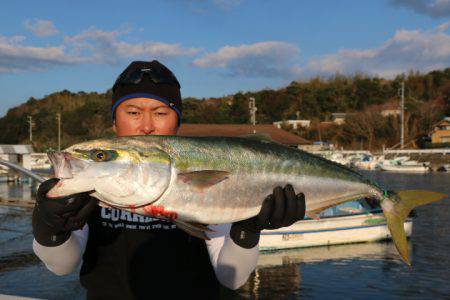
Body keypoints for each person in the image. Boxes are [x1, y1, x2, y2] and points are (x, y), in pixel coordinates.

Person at [32, 60, 306, 299]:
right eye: (133, 112)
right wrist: (49, 227)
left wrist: (246, 229)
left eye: (161, 113)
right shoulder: (91, 190)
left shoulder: (205, 169)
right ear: (114, 123)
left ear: (177, 124)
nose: (147, 125)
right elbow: (61, 266)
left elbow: (231, 278)